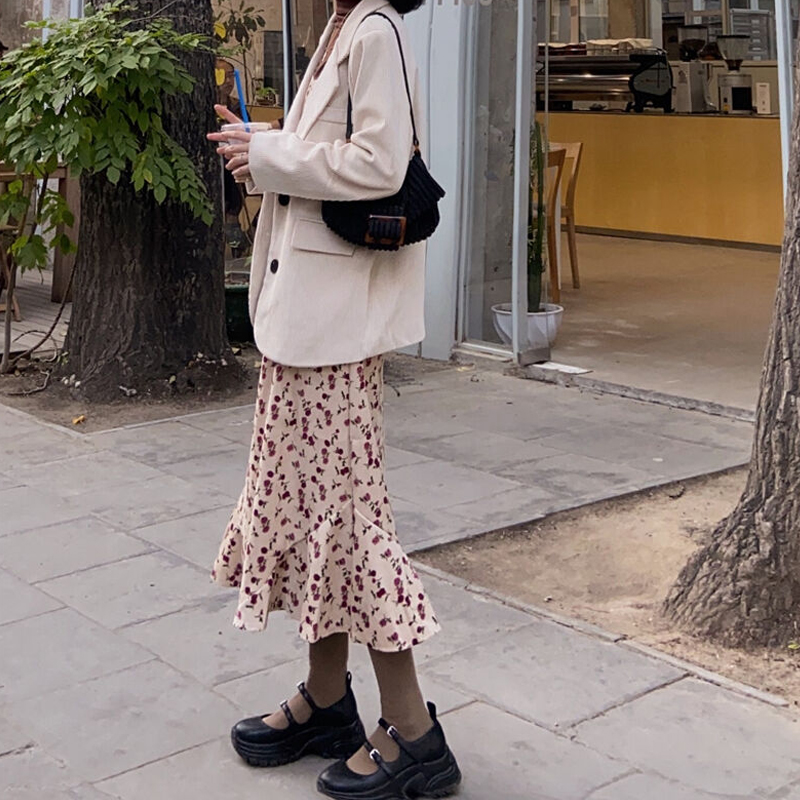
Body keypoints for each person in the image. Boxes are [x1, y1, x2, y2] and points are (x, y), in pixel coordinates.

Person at [207, 0, 461, 797]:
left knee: (346, 522)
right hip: (302, 319)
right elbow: (330, 155)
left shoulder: (376, 29)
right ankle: (326, 702)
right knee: (305, 512)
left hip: (334, 329)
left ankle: (414, 734)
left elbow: (381, 166)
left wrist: (270, 151)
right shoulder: (343, 27)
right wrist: (261, 153)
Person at [215, 58, 247, 251]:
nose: (228, 81)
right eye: (223, 76)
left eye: (231, 76)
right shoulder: (206, 104)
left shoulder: (236, 106)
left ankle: (234, 223)